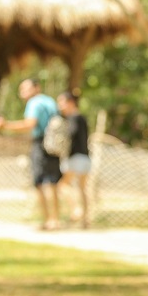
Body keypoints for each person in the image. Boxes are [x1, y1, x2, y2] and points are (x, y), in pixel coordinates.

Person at [0, 78, 62, 231]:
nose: (22, 93)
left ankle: (48, 220)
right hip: (55, 145)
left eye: (25, 89)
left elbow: (30, 124)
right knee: (53, 182)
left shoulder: (34, 103)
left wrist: (6, 125)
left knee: (40, 182)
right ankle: (55, 219)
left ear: (36, 88)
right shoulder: (50, 101)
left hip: (41, 144)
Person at [56, 90, 91, 229]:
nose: (59, 106)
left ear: (70, 102)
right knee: (83, 189)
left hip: (75, 157)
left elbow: (70, 135)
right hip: (85, 157)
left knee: (62, 185)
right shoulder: (82, 117)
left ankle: (76, 209)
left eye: (61, 102)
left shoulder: (73, 118)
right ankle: (86, 219)